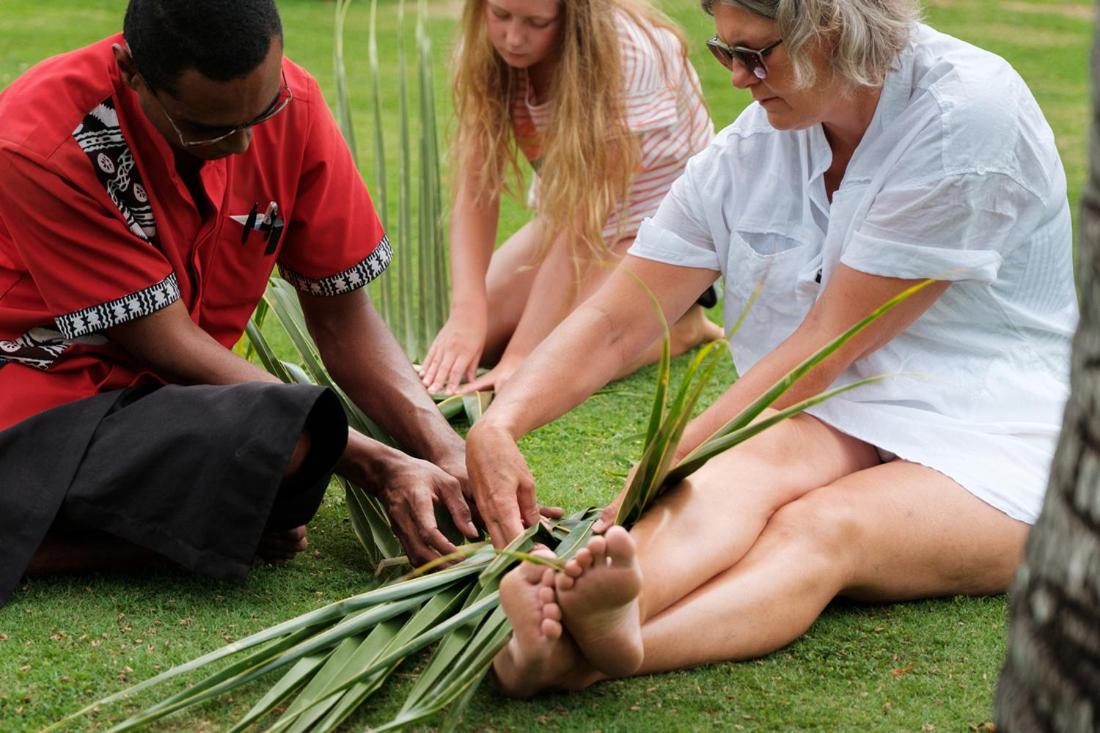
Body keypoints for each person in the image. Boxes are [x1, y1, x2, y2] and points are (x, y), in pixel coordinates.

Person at [465, 0, 1079, 694]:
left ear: (834, 29)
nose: (737, 77)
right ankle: (595, 612)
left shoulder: (965, 116)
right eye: (725, 52)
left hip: (1003, 432)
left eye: (755, 53)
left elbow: (826, 348)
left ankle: (577, 659)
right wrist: (502, 422)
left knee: (825, 525)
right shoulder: (755, 147)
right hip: (846, 407)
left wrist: (669, 455)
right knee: (753, 461)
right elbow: (618, 317)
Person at [0, 0, 480, 607]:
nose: (245, 144)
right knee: (291, 440)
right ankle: (104, 547)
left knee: (287, 443)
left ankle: (145, 530)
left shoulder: (293, 102)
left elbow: (341, 315)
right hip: (41, 406)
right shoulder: (39, 139)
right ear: (130, 72)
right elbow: (166, 343)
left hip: (172, 406)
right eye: (208, 129)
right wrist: (380, 464)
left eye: (263, 111)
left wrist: (445, 447)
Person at [416, 0, 721, 396]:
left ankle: (683, 325)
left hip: (657, 226)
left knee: (559, 359)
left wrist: (521, 358)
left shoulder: (629, 54)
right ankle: (645, 316)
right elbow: (477, 188)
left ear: (575, 16)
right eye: (500, 15)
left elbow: (584, 226)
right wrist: (465, 315)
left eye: (537, 23)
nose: (513, 38)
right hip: (566, 216)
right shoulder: (487, 46)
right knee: (481, 342)